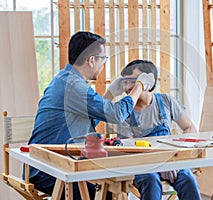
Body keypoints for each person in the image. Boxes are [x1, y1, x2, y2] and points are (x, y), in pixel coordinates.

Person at [27, 32, 155, 200]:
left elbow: (90, 117)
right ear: (92, 60)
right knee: (110, 194)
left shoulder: (66, 79)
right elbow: (117, 115)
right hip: (49, 170)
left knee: (111, 189)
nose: (103, 64)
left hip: (50, 163)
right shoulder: (74, 86)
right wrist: (139, 86)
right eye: (103, 58)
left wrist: (110, 93)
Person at [115, 59, 201, 200]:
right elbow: (129, 150)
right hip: (142, 164)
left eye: (134, 81)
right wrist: (160, 162)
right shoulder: (124, 112)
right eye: (125, 82)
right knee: (151, 181)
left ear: (149, 81)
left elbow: (190, 127)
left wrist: (174, 157)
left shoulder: (166, 101)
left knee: (188, 180)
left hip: (170, 160)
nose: (128, 86)